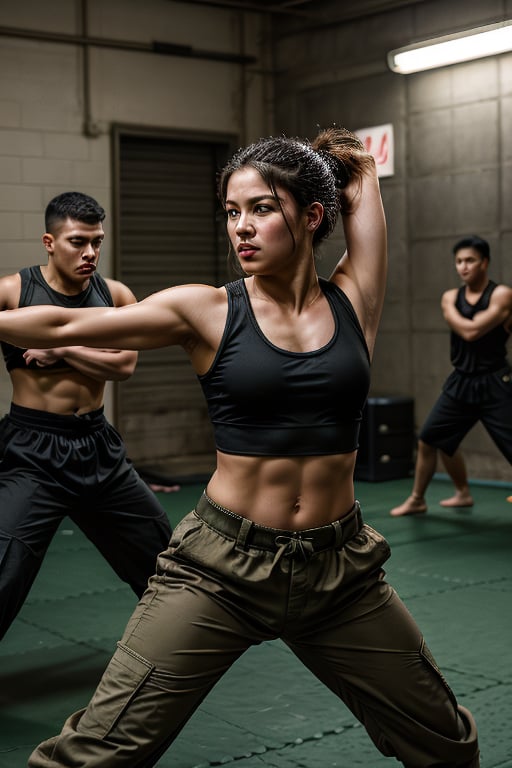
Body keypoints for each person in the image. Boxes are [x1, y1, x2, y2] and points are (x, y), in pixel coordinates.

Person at [0, 133, 478, 767]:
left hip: (342, 573)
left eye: (261, 208)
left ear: (311, 217)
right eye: (231, 211)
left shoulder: (356, 298)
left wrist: (335, 161)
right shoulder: (205, 309)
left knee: (445, 742)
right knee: (95, 755)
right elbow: (61, 324)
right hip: (221, 569)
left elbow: (360, 179)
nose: (241, 228)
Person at [0, 191, 172, 641]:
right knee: (4, 569)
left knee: (164, 558)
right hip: (32, 451)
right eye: (78, 241)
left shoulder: (114, 294)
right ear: (49, 242)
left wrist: (62, 349)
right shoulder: (12, 292)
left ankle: (177, 651)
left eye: (97, 241)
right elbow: (109, 359)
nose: (91, 253)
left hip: (97, 447)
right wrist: (91, 353)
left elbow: (124, 366)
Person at [391, 235, 512, 517]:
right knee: (432, 437)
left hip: (495, 382)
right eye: (459, 261)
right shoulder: (450, 296)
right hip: (462, 381)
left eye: (470, 260)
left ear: (485, 262)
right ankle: (425, 498)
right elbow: (470, 328)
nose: (463, 267)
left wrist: (460, 319)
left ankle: (457, 493)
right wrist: (462, 319)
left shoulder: (501, 294)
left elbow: (470, 331)